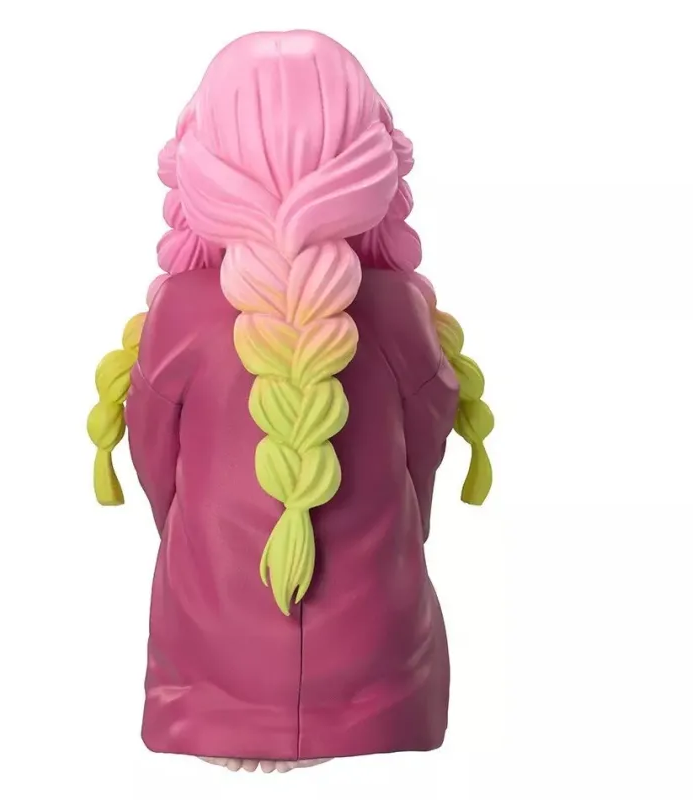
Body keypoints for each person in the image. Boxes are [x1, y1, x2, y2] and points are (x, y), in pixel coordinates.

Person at [87, 29, 493, 774]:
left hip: (208, 668)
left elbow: (157, 471)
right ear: (366, 157)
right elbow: (423, 461)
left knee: (193, 566)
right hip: (381, 676)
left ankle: (235, 703)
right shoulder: (399, 311)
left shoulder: (180, 313)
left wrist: (201, 544)